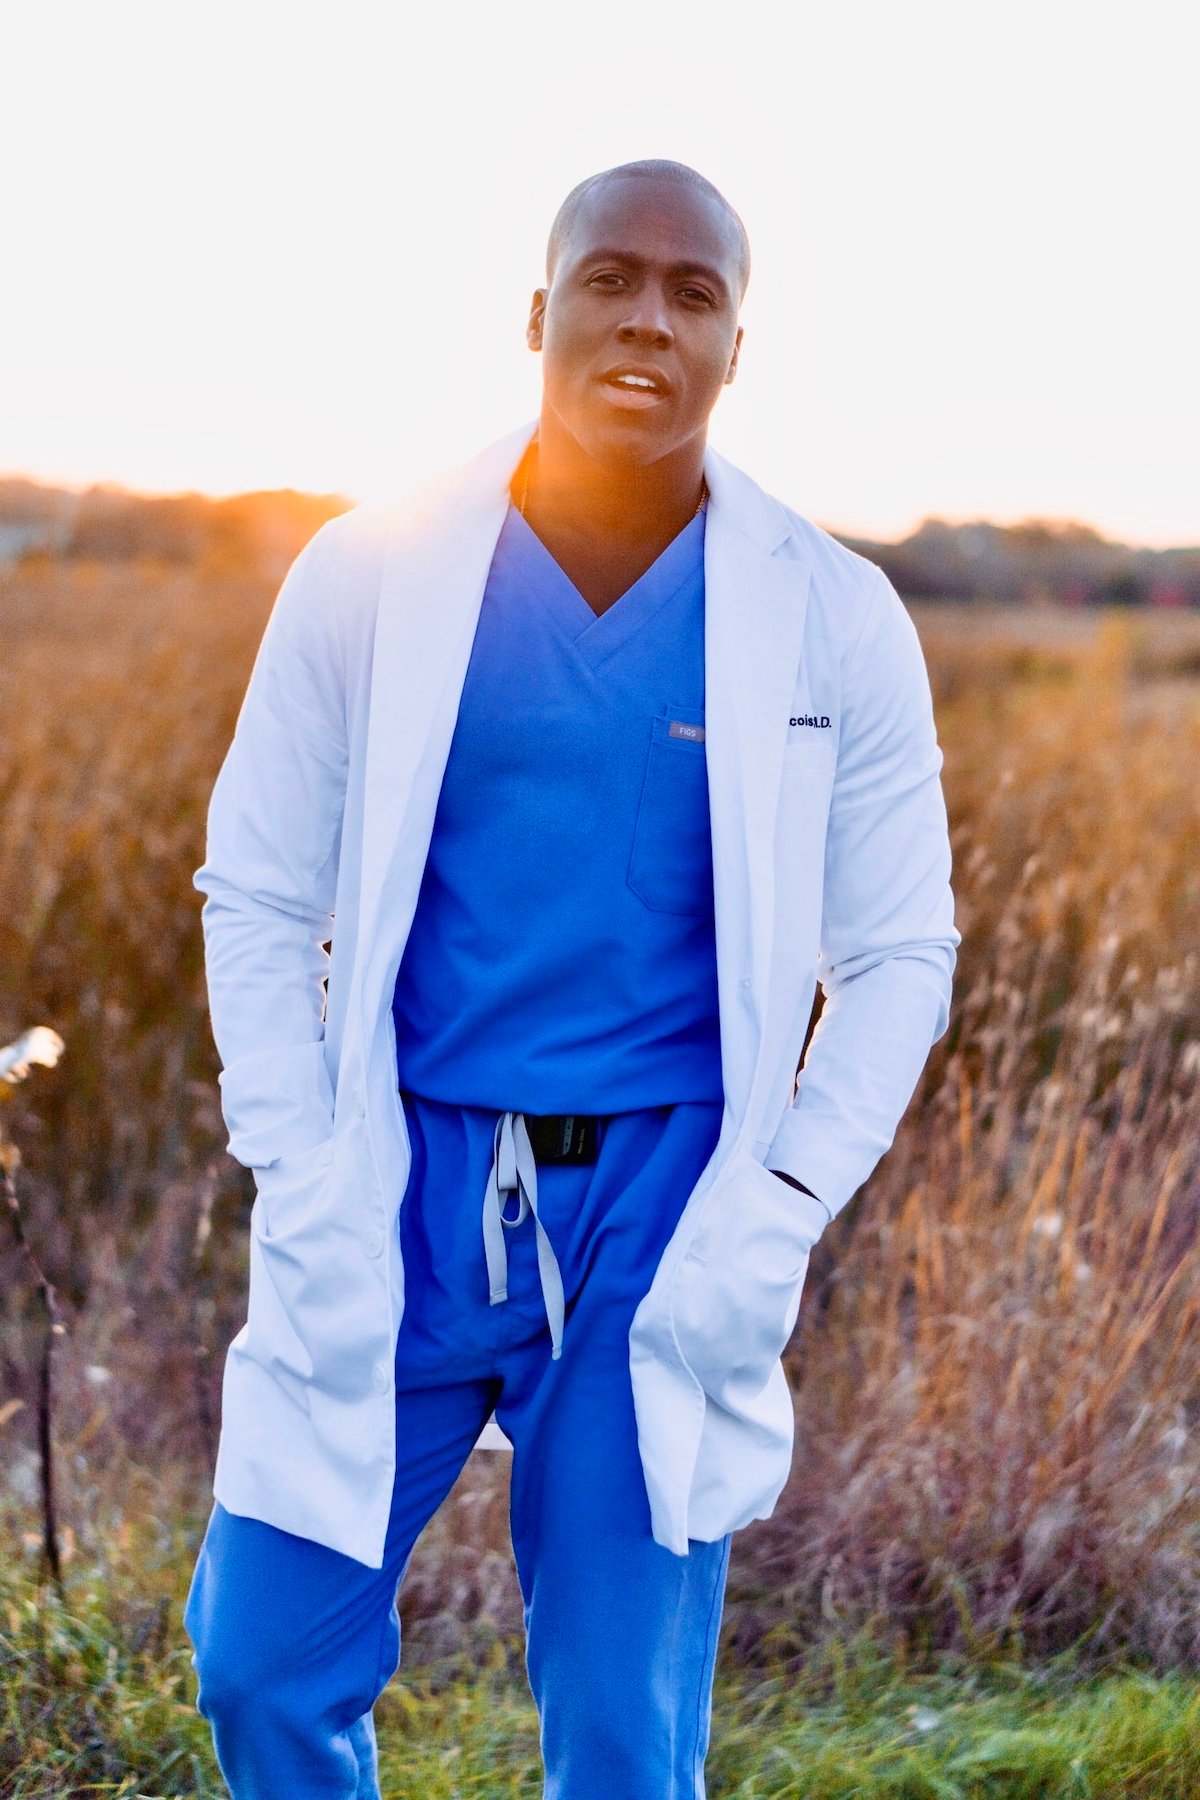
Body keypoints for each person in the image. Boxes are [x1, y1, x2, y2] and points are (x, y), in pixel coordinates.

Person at [183, 159, 959, 1799]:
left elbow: (899, 956)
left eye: (694, 295)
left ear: (736, 349)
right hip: (398, 1186)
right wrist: (299, 1164)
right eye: (611, 279)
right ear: (539, 314)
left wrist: (782, 1203)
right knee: (259, 1667)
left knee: (621, 1742)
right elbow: (254, 890)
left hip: (661, 1218)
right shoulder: (369, 573)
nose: (647, 320)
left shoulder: (835, 615)